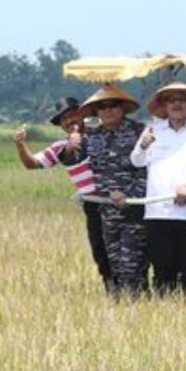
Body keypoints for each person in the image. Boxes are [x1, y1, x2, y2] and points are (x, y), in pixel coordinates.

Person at [130, 82, 186, 295]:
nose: (177, 104)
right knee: (163, 272)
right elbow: (136, 161)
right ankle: (164, 318)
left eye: (182, 99)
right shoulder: (153, 130)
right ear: (164, 106)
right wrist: (143, 145)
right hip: (158, 212)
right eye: (171, 100)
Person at [13, 97, 112, 289]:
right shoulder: (60, 148)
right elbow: (32, 164)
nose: (70, 121)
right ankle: (113, 291)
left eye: (74, 114)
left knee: (127, 248)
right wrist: (20, 144)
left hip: (117, 199)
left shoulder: (103, 135)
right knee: (100, 249)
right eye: (64, 119)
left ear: (84, 114)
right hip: (93, 204)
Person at [81, 85, 149, 294]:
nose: (108, 111)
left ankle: (137, 303)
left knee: (132, 263)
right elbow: (80, 166)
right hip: (106, 211)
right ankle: (124, 306)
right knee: (115, 264)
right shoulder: (90, 138)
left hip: (134, 209)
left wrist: (130, 195)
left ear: (123, 109)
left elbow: (147, 170)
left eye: (114, 106)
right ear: (96, 112)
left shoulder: (140, 133)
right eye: (103, 107)